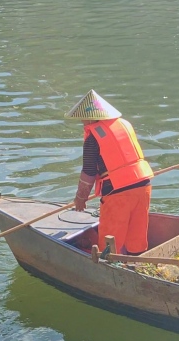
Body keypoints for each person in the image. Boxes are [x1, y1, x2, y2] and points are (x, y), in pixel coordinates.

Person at [64, 90, 154, 255]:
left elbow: (89, 172)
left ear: (91, 117)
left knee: (110, 242)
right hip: (143, 187)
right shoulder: (124, 125)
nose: (83, 123)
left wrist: (80, 198)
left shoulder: (93, 139)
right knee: (137, 234)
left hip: (118, 193)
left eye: (83, 119)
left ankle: (110, 266)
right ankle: (138, 261)